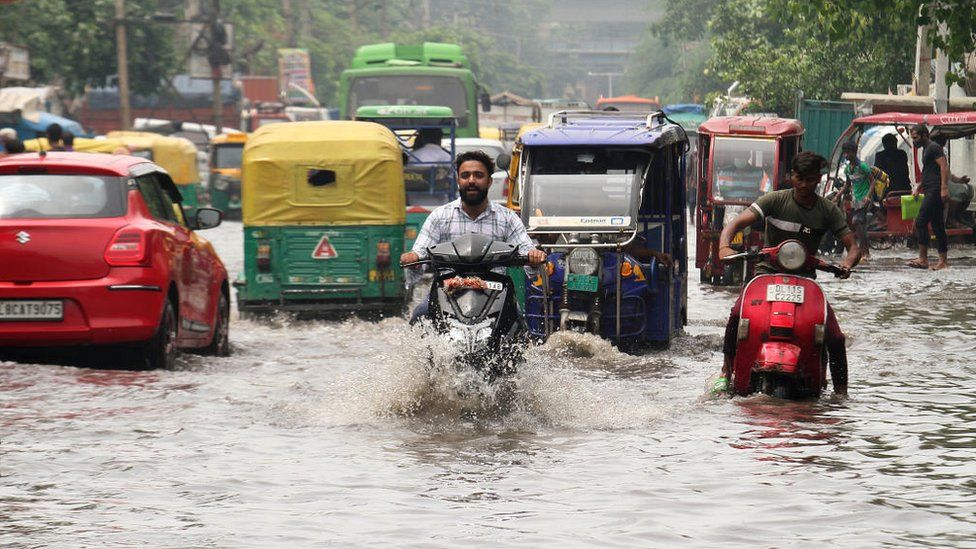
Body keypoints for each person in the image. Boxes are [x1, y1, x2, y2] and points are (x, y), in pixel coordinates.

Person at [713, 152, 861, 396]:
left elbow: (853, 246)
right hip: (765, 274)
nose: (804, 185)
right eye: (799, 178)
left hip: (805, 281)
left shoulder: (827, 210)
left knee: (835, 336)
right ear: (791, 176)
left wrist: (846, 264)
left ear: (819, 180)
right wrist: (724, 246)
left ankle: (841, 393)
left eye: (810, 179)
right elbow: (735, 224)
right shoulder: (774, 200)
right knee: (737, 315)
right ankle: (726, 370)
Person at [400, 150, 546, 319]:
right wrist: (413, 258)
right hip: (448, 292)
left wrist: (533, 256)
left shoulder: (507, 218)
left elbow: (526, 250)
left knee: (520, 323)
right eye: (465, 175)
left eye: (478, 175)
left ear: (489, 181)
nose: (471, 181)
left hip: (495, 294)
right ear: (458, 181)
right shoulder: (440, 216)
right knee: (420, 313)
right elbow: (420, 252)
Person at [908, 125, 950, 270]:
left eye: (915, 138)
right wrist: (919, 186)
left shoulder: (933, 147)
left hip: (935, 190)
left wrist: (944, 188)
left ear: (925, 134)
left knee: (920, 222)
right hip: (930, 189)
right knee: (938, 225)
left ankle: (923, 258)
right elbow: (928, 171)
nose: (914, 142)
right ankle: (943, 261)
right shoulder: (926, 149)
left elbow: (944, 166)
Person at [841, 141, 876, 259]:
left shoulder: (862, 166)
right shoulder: (847, 169)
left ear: (854, 152)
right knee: (859, 224)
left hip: (865, 199)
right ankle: (865, 252)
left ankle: (865, 252)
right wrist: (837, 196)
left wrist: (868, 196)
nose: (846, 155)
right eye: (844, 153)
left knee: (856, 221)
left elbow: (873, 182)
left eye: (848, 153)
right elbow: (847, 185)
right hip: (856, 201)